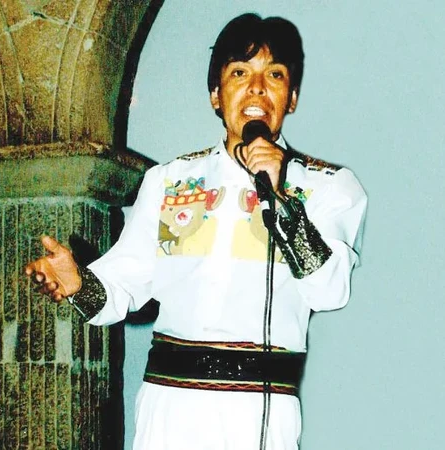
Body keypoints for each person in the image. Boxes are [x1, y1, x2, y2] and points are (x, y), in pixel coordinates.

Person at [26, 13, 367, 450]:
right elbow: (124, 284)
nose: (257, 88)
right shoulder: (168, 181)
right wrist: (79, 284)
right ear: (215, 95)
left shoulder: (330, 187)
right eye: (239, 72)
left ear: (293, 97)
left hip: (260, 411)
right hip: (170, 409)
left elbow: (329, 291)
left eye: (275, 74)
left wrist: (282, 199)